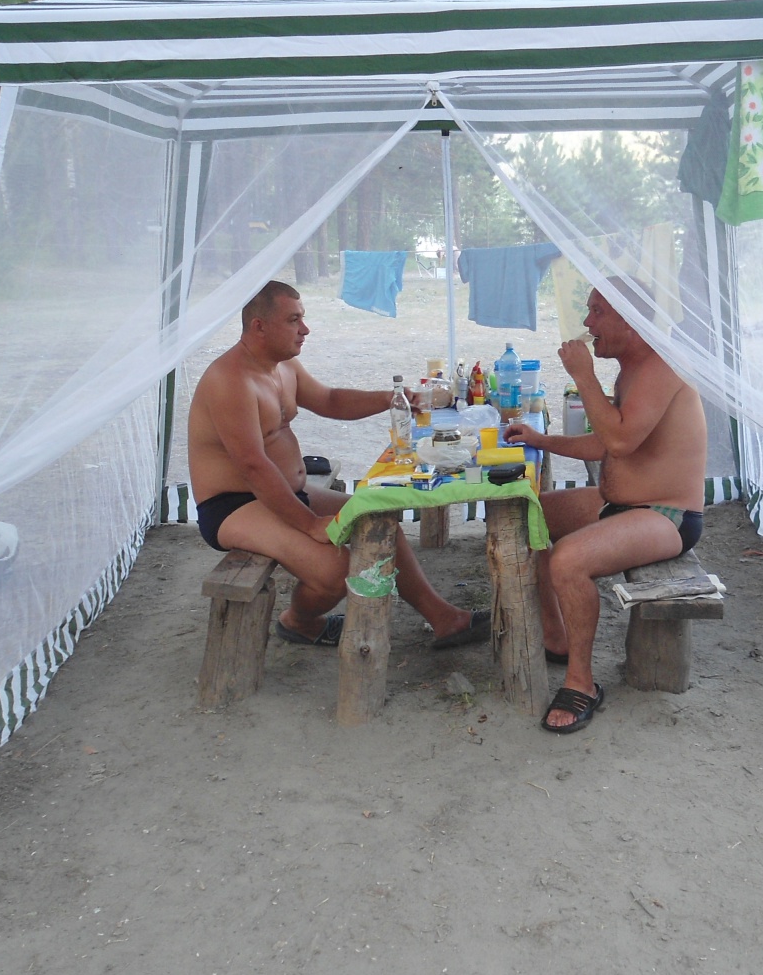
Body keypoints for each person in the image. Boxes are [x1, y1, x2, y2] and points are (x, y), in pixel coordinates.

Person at [188, 280, 488, 649]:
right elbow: (253, 466)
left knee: (377, 519)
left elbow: (329, 400)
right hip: (234, 505)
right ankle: (298, 622)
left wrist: (392, 398)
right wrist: (308, 524)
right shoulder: (230, 380)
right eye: (293, 320)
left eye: (303, 318)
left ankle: (444, 619)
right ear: (259, 326)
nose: (305, 329)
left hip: (286, 491)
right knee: (334, 573)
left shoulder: (283, 366)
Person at [504, 285, 706, 733]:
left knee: (568, 560)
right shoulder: (632, 369)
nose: (587, 323)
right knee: (528, 515)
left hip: (665, 517)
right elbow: (604, 441)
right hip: (620, 504)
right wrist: (542, 440)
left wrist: (583, 376)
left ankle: (581, 681)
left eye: (597, 311)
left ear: (631, 319)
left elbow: (618, 440)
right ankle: (555, 636)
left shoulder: (663, 366)